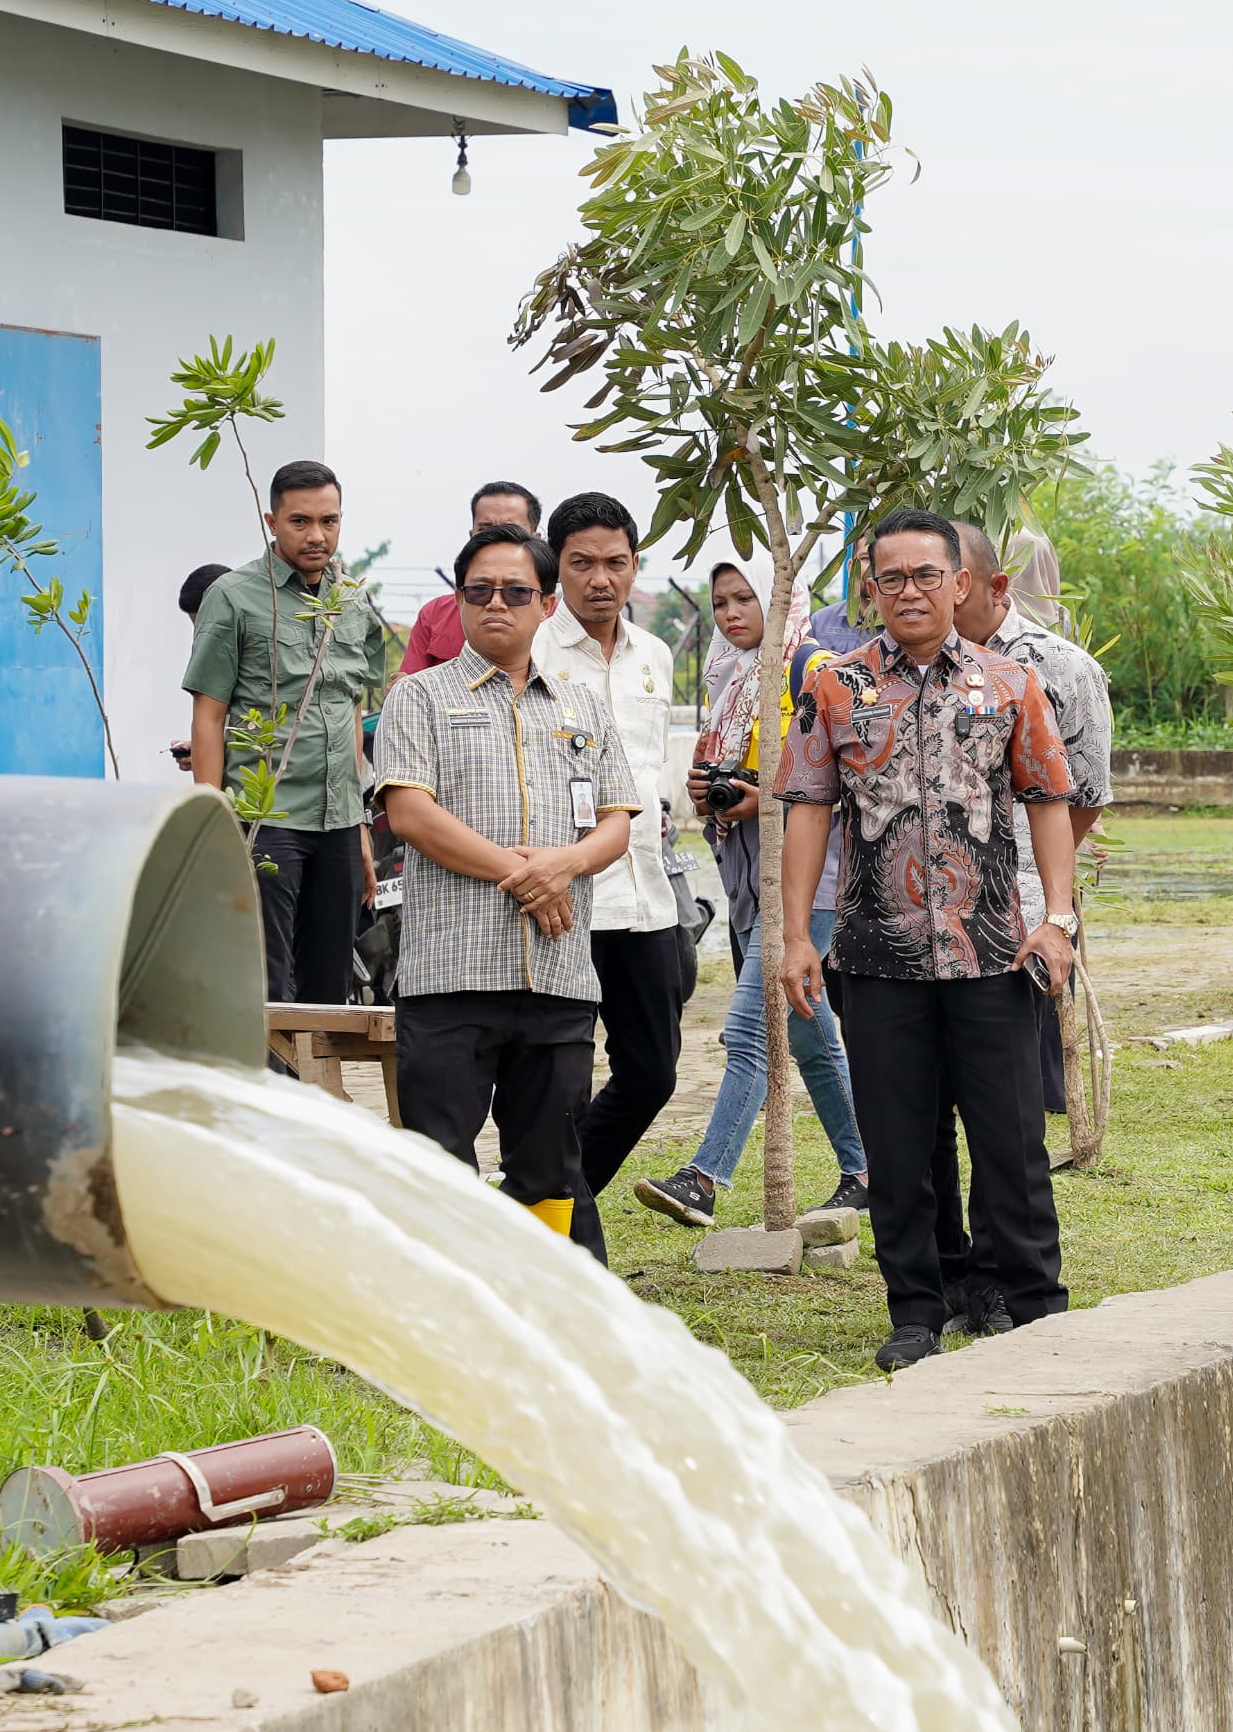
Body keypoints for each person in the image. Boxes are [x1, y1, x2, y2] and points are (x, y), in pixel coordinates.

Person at [780, 510, 1081, 1371]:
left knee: (1010, 1138)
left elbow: (1048, 799)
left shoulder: (1011, 683)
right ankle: (917, 1305)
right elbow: (807, 810)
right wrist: (799, 935)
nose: (909, 590)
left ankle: (1032, 1301)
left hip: (992, 949)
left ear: (962, 584)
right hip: (877, 956)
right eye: (891, 577)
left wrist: (1055, 918)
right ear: (869, 589)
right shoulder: (834, 686)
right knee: (899, 1143)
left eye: (926, 575)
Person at [368, 523, 638, 1243]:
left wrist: (566, 865)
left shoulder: (583, 707)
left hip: (556, 977)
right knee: (440, 1165)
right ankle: (439, 1326)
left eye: (515, 592)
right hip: (450, 975)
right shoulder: (418, 698)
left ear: (547, 605)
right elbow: (411, 814)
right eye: (479, 591)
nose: (497, 604)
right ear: (457, 601)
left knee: (549, 1169)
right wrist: (527, 872)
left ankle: (547, 1321)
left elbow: (616, 823)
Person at [908, 516, 1113, 1307]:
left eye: (943, 580)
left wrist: (1041, 898)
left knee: (1006, 1107)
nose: (926, 595)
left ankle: (999, 1273)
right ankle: (945, 1266)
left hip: (1018, 915)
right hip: (913, 928)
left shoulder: (1058, 670)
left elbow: (1082, 795)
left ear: (987, 586)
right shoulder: (885, 668)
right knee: (923, 1105)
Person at [634, 562, 871, 1226]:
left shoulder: (815, 669)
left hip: (812, 879)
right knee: (807, 1036)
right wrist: (714, 792)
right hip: (749, 876)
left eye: (747, 597)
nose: (732, 612)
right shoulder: (727, 674)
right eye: (720, 601)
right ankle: (866, 1167)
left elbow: (849, 782)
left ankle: (705, 1177)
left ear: (781, 597)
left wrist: (760, 799)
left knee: (749, 1029)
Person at [536, 494, 692, 1257]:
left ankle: (545, 1199)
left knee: (654, 1072)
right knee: (557, 1086)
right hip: (562, 900)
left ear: (636, 565)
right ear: (555, 565)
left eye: (616, 562)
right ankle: (564, 1236)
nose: (601, 579)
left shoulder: (655, 655)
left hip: (646, 900)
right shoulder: (531, 651)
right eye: (582, 563)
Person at [186, 459, 390, 1006]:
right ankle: (266, 1090)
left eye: (329, 520)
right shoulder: (233, 596)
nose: (316, 535)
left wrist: (362, 827)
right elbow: (209, 714)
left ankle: (314, 1093)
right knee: (268, 984)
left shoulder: (350, 603)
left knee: (330, 987)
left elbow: (348, 709)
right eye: (300, 521)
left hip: (339, 822)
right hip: (265, 817)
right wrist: (212, 821)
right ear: (271, 520)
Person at [399, 480, 543, 677]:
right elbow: (409, 686)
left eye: (511, 531)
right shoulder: (434, 616)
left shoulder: (558, 618)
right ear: (471, 536)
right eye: (486, 530)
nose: (496, 540)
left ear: (536, 539)